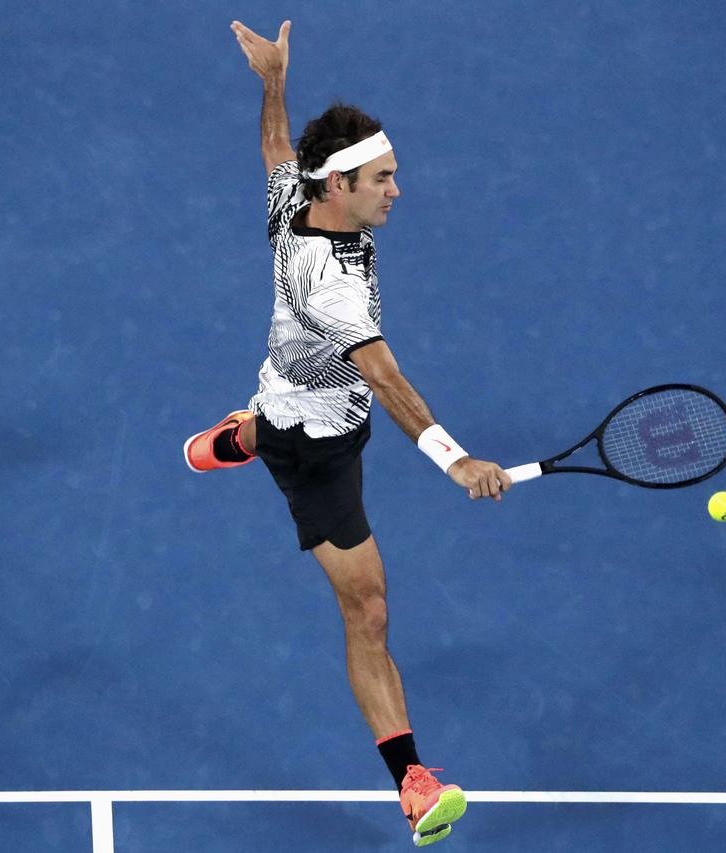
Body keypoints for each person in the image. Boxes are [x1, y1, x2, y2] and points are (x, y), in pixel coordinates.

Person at [183, 18, 512, 848]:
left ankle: (243, 434)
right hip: (319, 449)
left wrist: (273, 81)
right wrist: (457, 459)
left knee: (276, 418)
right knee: (367, 607)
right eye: (383, 179)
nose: (397, 190)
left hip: (303, 396)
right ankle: (413, 781)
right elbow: (387, 379)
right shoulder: (329, 286)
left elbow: (272, 151)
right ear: (339, 187)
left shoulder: (300, 198)